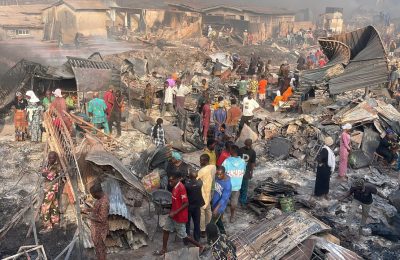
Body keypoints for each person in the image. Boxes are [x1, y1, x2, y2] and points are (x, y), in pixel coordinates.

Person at [154, 173, 203, 256]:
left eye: (171, 181)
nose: (170, 182)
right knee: (166, 230)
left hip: (179, 216)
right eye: (169, 181)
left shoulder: (181, 188)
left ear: (177, 180)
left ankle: (200, 246)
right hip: (173, 214)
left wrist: (175, 212)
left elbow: (186, 203)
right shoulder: (175, 186)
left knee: (184, 235)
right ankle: (164, 249)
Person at [84, 182, 110, 260]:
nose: (92, 196)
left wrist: (89, 216)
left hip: (100, 230)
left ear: (97, 193)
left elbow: (102, 218)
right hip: (98, 228)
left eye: (93, 194)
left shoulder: (103, 203)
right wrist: (88, 210)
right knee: (99, 249)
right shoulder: (101, 199)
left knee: (100, 249)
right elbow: (97, 210)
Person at [222, 145, 246, 223]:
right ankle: (232, 217)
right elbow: (244, 172)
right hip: (237, 186)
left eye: (230, 149)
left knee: (223, 201)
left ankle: (221, 217)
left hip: (227, 185)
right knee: (234, 203)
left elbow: (222, 172)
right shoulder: (242, 161)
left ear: (232, 151)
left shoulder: (227, 161)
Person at [40, 151, 62, 232]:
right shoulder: (49, 164)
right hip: (52, 189)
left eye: (52, 158)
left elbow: (50, 176)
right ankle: (55, 222)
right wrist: (44, 172)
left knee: (45, 207)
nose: (50, 159)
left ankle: (48, 226)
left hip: (50, 190)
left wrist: (44, 173)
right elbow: (44, 171)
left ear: (55, 158)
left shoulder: (56, 166)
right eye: (49, 157)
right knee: (54, 205)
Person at [197, 154, 216, 238]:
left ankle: (203, 230)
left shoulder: (201, 171)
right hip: (211, 191)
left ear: (205, 161)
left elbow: (196, 180)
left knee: (202, 212)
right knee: (208, 210)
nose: (200, 161)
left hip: (203, 193)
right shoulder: (213, 167)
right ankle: (210, 226)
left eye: (201, 160)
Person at [185, 170, 205, 242]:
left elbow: (187, 183)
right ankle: (197, 238)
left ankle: (186, 240)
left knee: (187, 223)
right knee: (197, 222)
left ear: (189, 176)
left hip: (189, 206)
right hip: (197, 206)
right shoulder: (200, 183)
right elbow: (198, 180)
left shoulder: (187, 184)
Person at [211, 166, 232, 234]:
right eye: (217, 174)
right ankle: (223, 233)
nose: (218, 176)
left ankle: (219, 234)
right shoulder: (217, 177)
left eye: (220, 174)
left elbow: (223, 199)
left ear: (224, 173)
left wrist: (216, 209)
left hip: (219, 207)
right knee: (218, 221)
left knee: (212, 223)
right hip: (214, 203)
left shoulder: (227, 185)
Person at [239, 139, 256, 205]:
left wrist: (251, 172)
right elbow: (253, 163)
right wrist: (251, 172)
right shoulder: (253, 152)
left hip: (239, 171)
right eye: (247, 144)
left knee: (240, 186)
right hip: (246, 172)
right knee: (244, 187)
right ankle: (242, 201)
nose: (248, 146)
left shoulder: (240, 150)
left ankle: (240, 200)